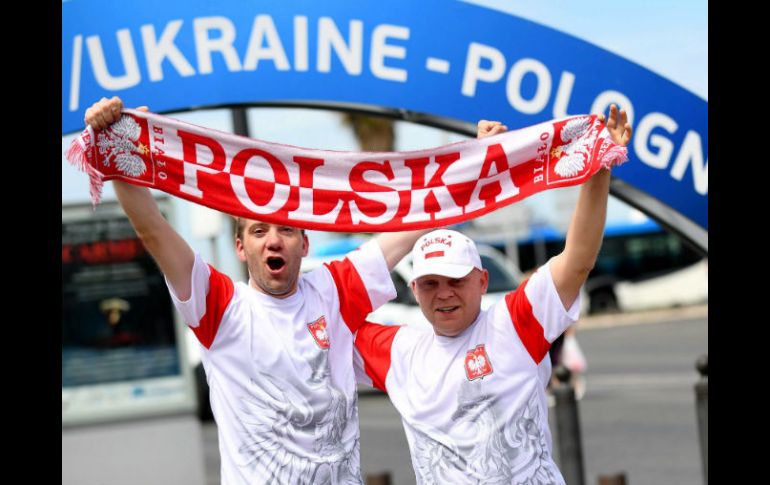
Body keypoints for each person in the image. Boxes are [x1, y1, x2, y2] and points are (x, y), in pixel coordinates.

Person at [83, 97, 429, 484]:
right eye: (259, 231)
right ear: (240, 248)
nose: (274, 241)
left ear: (305, 243)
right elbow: (153, 230)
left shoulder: (332, 290)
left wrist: (482, 163)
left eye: (286, 230)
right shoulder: (219, 306)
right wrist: (119, 148)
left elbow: (412, 228)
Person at [353, 106, 632, 484]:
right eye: (431, 283)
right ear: (414, 289)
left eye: (456, 280)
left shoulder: (515, 323)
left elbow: (578, 260)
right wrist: (467, 170)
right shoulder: (398, 352)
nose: (444, 294)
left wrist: (598, 170)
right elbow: (323, 306)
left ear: (482, 282)